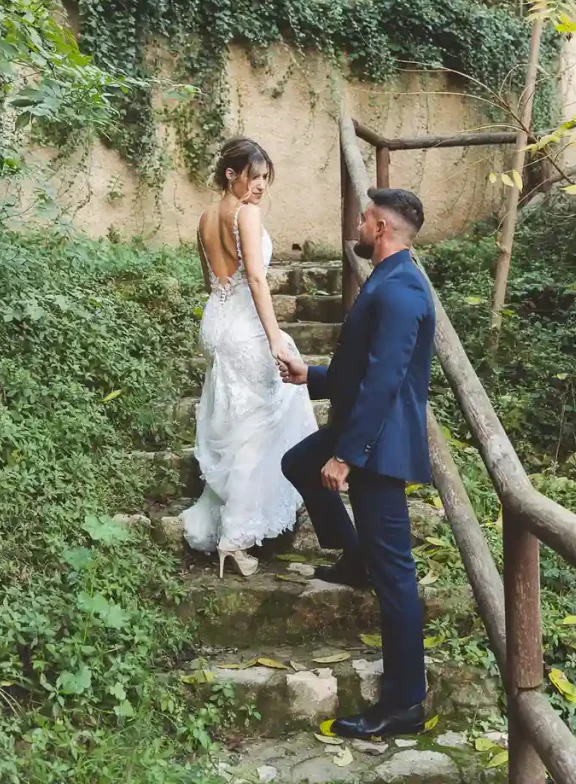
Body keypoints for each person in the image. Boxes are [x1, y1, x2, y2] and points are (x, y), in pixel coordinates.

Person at [279, 187, 435, 740]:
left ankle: (405, 703)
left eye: (366, 219)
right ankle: (353, 556)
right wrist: (313, 377)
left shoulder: (402, 290)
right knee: (299, 462)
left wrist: (347, 456)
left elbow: (385, 380)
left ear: (383, 229)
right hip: (361, 431)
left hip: (378, 447)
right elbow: (360, 368)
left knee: (396, 577)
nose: (359, 227)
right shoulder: (387, 280)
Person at [181, 137, 317, 577]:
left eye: (264, 179)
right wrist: (275, 337)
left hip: (216, 323)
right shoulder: (247, 214)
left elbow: (210, 281)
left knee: (235, 419)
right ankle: (237, 535)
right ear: (231, 174)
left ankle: (225, 523)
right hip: (244, 328)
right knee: (260, 424)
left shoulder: (205, 218)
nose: (260, 186)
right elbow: (256, 280)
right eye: (254, 177)